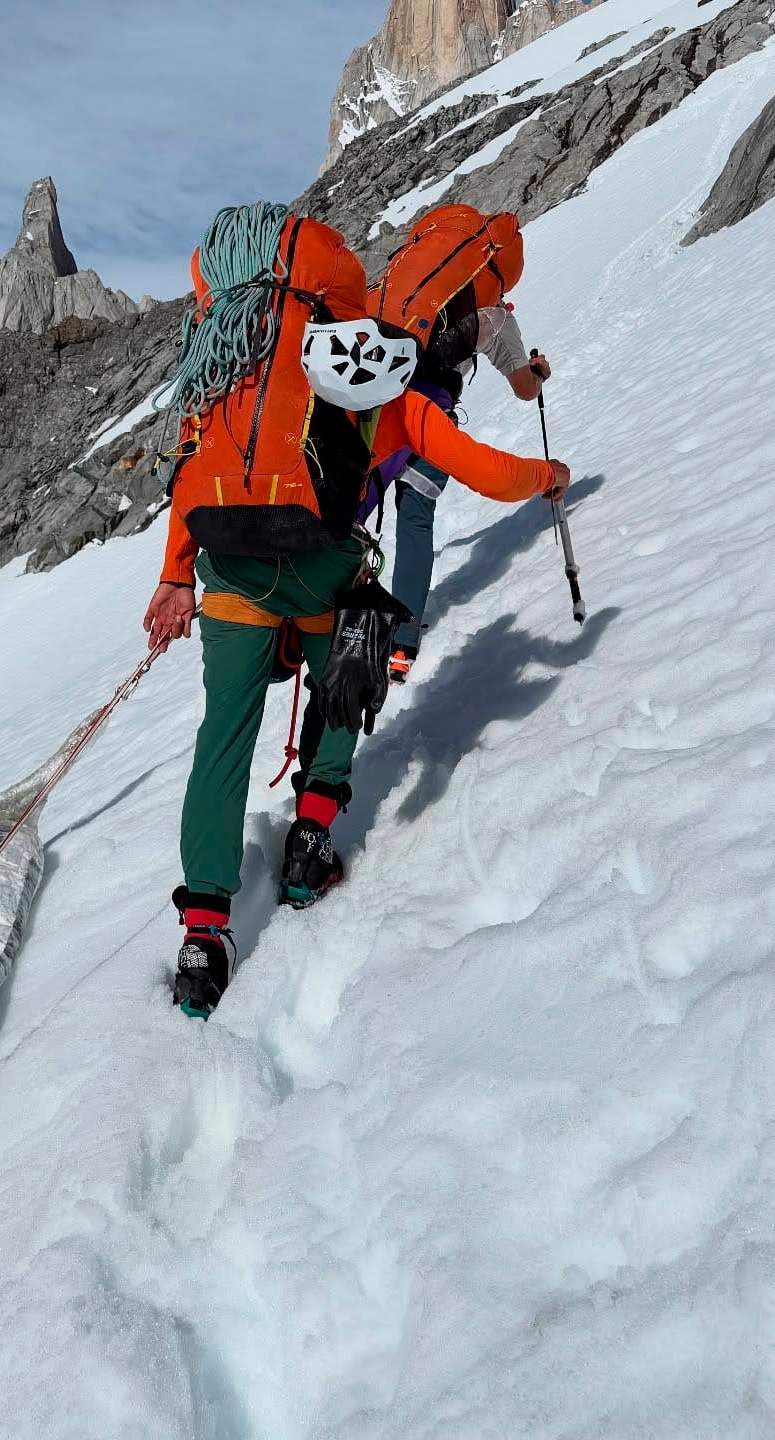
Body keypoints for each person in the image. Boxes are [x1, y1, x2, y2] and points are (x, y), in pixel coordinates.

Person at [143, 203, 568, 1019]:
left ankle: (203, 934)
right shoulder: (376, 377)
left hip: (229, 575)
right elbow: (481, 469)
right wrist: (546, 476)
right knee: (353, 651)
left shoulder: (226, 376)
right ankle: (309, 839)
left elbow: (191, 477)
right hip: (321, 574)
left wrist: (174, 578)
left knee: (221, 738)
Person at [366, 287, 552, 682]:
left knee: (351, 511)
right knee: (415, 520)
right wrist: (536, 372)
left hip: (379, 412)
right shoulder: (494, 313)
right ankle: (401, 644)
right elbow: (524, 389)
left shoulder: (412, 288)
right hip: (432, 418)